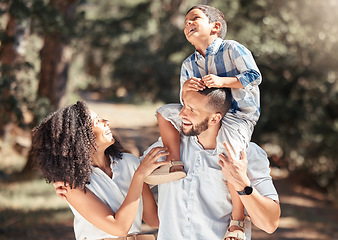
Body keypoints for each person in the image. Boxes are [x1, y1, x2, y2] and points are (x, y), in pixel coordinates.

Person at [146, 5, 262, 240]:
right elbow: (185, 99)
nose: (188, 24)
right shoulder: (188, 63)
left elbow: (254, 76)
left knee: (229, 155)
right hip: (202, 112)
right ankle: (174, 162)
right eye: (186, 21)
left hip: (238, 114)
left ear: (215, 26)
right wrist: (186, 90)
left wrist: (222, 81)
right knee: (164, 113)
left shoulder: (233, 49)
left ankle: (237, 220)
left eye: (194, 19)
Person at [143, 88, 280, 240]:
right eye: (184, 106)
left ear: (214, 119)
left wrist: (242, 184)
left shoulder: (247, 154)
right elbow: (136, 178)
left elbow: (270, 224)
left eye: (192, 110)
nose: (181, 114)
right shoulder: (169, 145)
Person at [30, 100, 170, 240]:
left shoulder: (129, 163)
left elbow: (154, 219)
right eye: (97, 121)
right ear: (80, 136)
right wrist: (139, 176)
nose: (106, 122)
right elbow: (119, 228)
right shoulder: (72, 185)